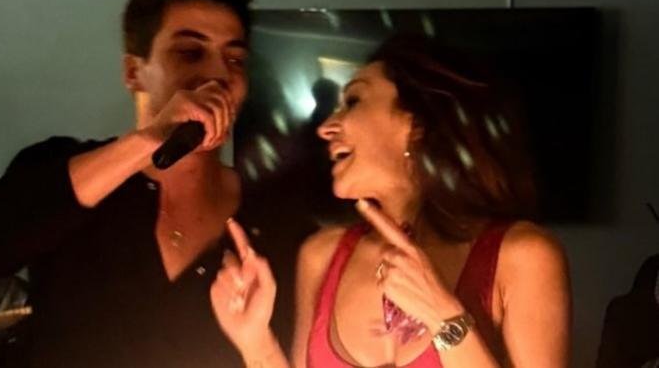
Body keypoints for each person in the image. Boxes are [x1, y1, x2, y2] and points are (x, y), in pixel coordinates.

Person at [0, 0, 253, 367]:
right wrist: (148, 141)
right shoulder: (60, 165)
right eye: (189, 52)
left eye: (235, 59)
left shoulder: (264, 210)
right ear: (133, 72)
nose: (218, 74)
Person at [211, 34, 572, 367]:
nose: (325, 127)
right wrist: (255, 342)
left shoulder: (523, 256)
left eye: (353, 101)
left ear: (417, 125)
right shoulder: (321, 255)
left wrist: (444, 317)